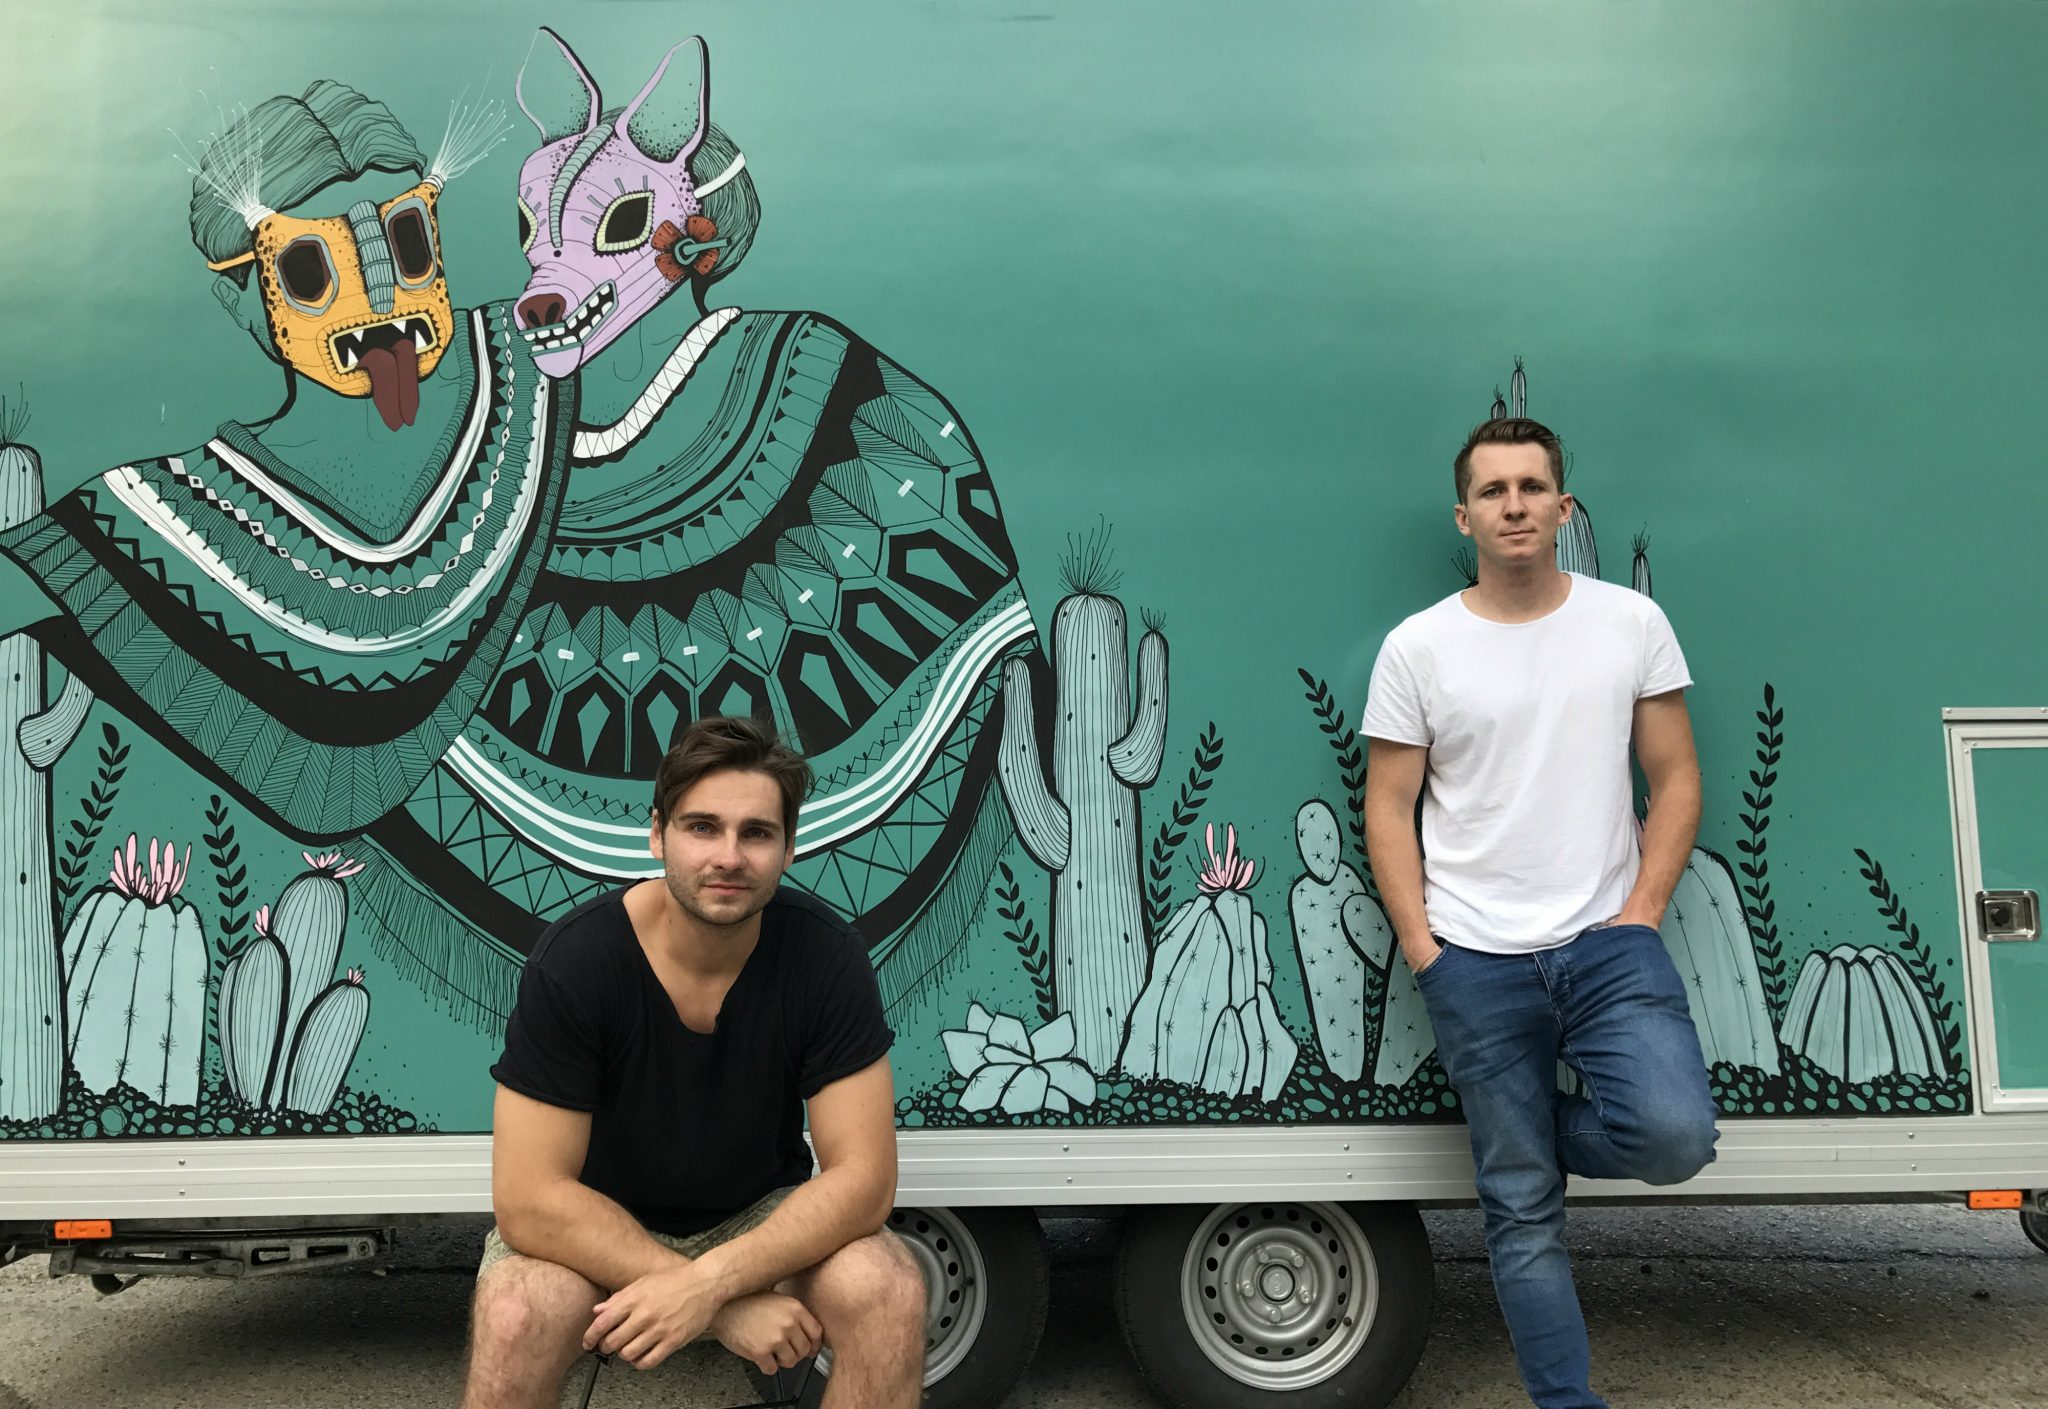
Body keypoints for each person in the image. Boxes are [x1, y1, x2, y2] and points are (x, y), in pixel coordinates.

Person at [1361, 417, 1720, 1409]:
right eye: (1492, 490)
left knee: (1674, 1137)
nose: (1512, 505)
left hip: (1608, 948)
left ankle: (1525, 1137)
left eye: (1529, 487)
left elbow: (1676, 777)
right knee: (1520, 1212)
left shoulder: (1628, 623)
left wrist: (1641, 911)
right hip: (1473, 959)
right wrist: (1425, 950)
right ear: (1463, 516)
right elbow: (1386, 807)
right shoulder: (1417, 647)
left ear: (1562, 507)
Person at [460, 716, 926, 1409]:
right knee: (513, 1313)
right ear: (658, 834)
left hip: (758, 1216)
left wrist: (710, 1283)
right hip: (602, 1220)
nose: (729, 857)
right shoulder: (578, 961)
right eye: (702, 827)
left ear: (789, 847)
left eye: (756, 833)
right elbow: (529, 1197)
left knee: (888, 1290)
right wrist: (724, 1306)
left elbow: (864, 1180)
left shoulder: (825, 955)